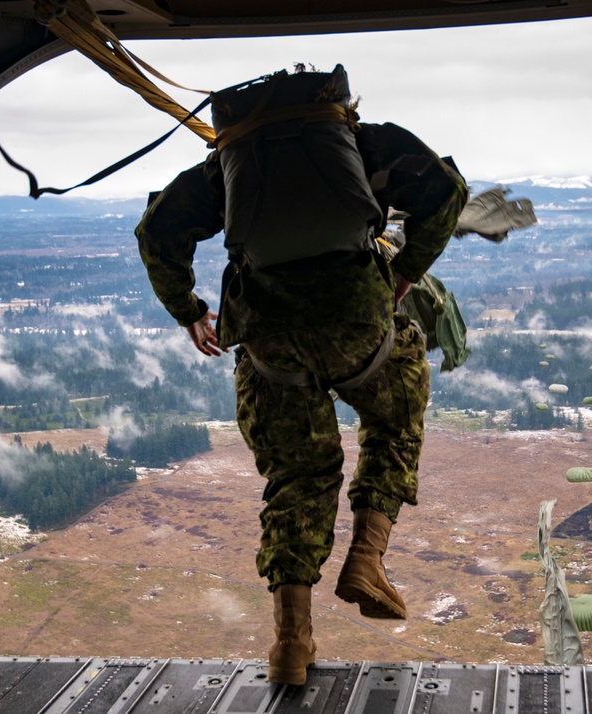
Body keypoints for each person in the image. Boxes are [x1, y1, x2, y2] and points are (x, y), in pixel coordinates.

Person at [135, 65, 468, 685]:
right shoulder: (367, 143)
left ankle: (291, 644)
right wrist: (404, 273)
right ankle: (367, 560)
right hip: (360, 329)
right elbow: (446, 191)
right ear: (338, 111)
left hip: (270, 346)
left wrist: (190, 310)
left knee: (296, 478)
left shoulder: (227, 170)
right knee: (394, 422)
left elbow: (158, 232)